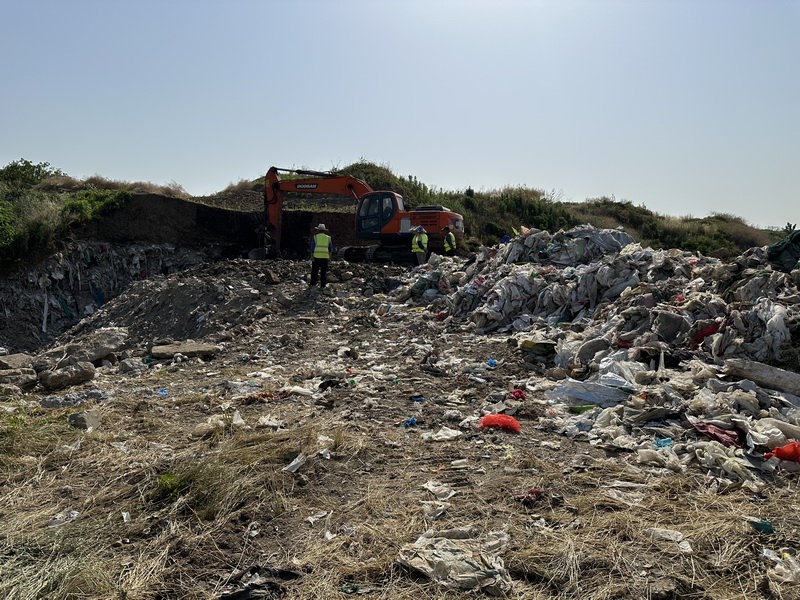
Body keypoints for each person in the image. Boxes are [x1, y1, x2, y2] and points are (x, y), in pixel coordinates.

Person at [310, 223, 332, 289]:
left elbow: (312, 248)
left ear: (318, 230)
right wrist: (329, 257)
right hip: (325, 257)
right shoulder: (328, 238)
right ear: (324, 230)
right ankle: (323, 285)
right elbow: (330, 249)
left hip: (316, 257)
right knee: (323, 273)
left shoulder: (315, 237)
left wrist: (312, 256)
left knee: (314, 271)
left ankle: (313, 284)